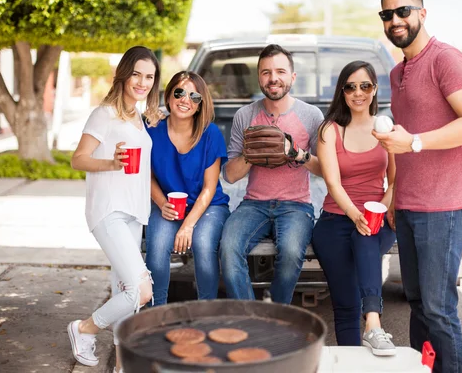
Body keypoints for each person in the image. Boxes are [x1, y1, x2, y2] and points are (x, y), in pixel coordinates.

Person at [374, 0, 462, 373]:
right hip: (407, 206)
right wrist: (394, 195)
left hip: (443, 209)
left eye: (403, 11)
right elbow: (401, 144)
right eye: (387, 14)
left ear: (422, 13)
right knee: (417, 304)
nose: (395, 20)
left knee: (439, 310)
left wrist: (416, 142)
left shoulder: (446, 60)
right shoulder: (396, 72)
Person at [68, 45, 162, 373]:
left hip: (134, 213)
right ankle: (83, 329)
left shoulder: (137, 114)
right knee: (140, 290)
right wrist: (110, 162)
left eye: (149, 76)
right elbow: (77, 158)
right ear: (123, 74)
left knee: (125, 290)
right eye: (136, 74)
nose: (142, 81)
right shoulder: (104, 113)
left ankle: (122, 367)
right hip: (108, 212)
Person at [220, 44, 324, 304]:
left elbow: (324, 170)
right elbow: (230, 176)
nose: (273, 78)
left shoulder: (311, 115)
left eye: (280, 71)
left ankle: (277, 314)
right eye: (266, 72)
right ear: (259, 77)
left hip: (296, 205)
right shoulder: (245, 115)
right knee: (228, 248)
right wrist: (251, 153)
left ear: (292, 77)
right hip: (254, 203)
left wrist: (295, 153)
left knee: (290, 253)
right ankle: (252, 319)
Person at [312, 60, 397, 355]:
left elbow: (395, 179)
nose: (358, 93)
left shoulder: (386, 128)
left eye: (365, 86)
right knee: (345, 303)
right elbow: (333, 183)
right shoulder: (330, 130)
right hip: (335, 219)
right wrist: (356, 214)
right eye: (350, 86)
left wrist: (382, 207)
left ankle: (373, 322)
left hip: (377, 217)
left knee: (365, 236)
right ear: (342, 92)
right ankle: (354, 360)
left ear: (374, 90)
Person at [145, 71, 230, 305]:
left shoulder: (210, 133)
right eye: (180, 92)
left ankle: (206, 311)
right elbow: (147, 177)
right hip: (167, 204)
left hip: (208, 206)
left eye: (194, 96)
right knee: (157, 246)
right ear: (169, 95)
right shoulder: (151, 129)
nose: (186, 100)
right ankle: (156, 313)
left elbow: (209, 188)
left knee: (203, 244)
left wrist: (187, 226)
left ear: (201, 104)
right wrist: (162, 204)